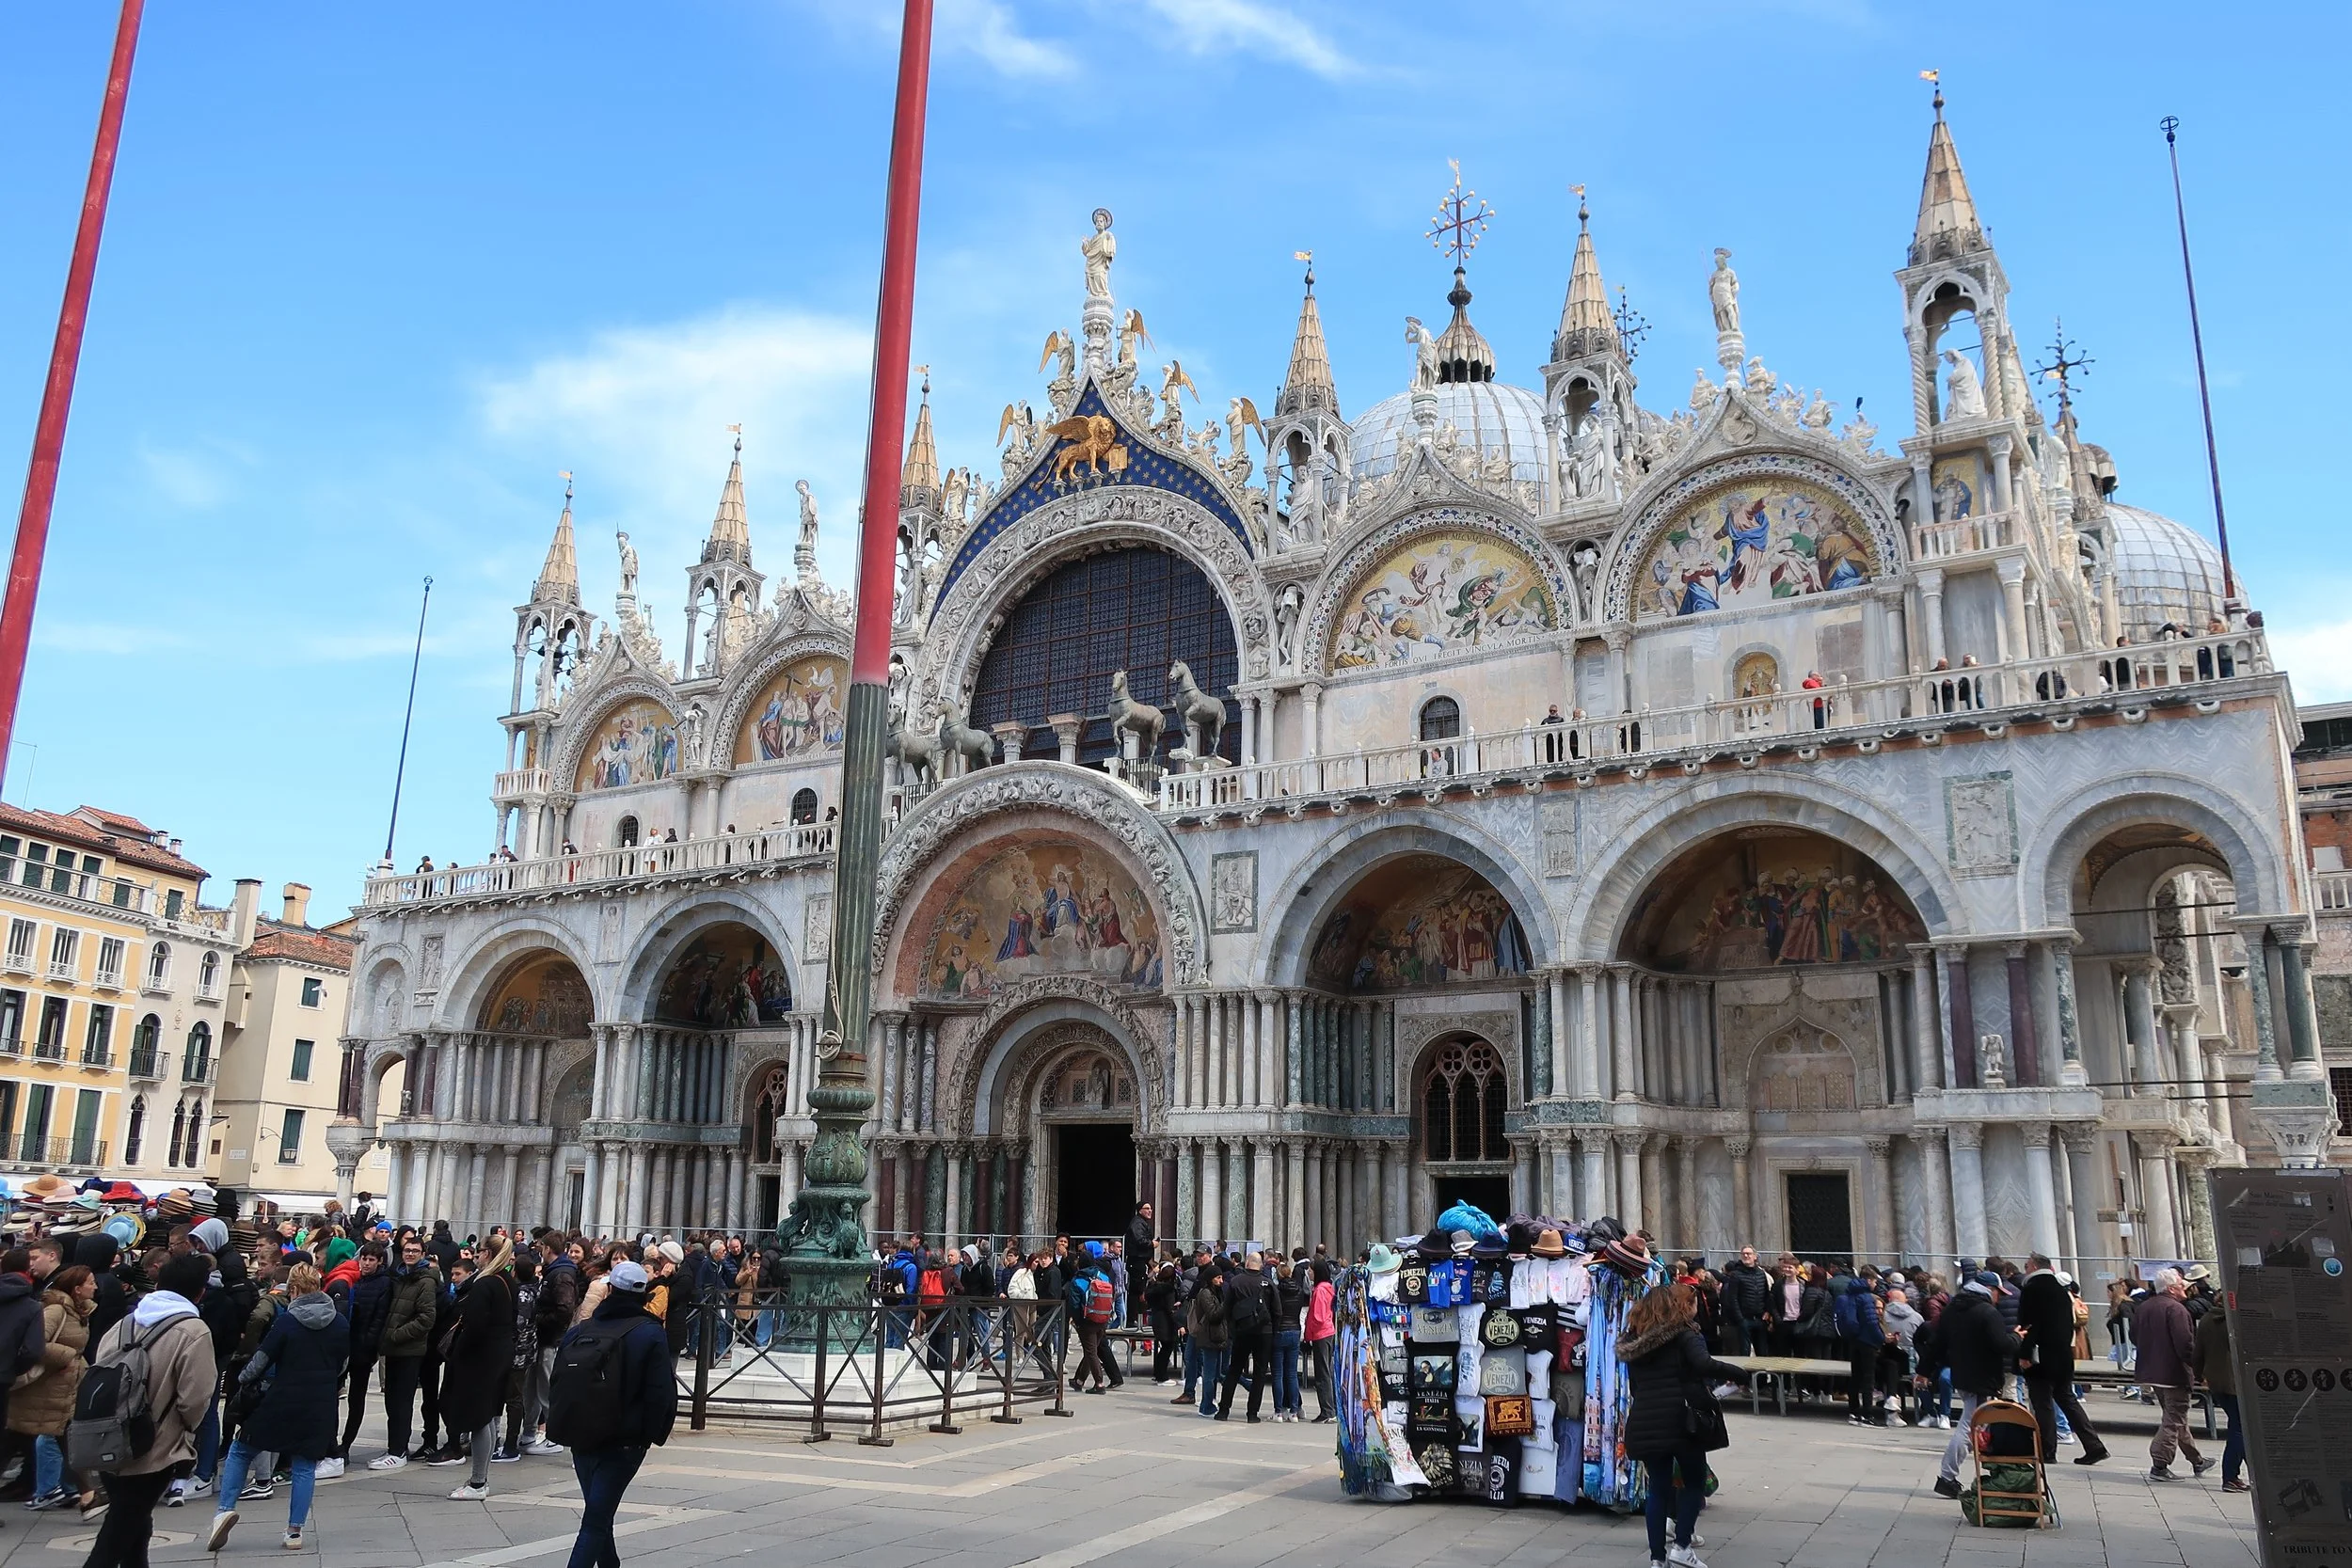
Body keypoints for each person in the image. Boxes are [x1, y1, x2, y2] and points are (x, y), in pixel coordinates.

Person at [81, 1252, 216, 1568]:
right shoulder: (194, 1331)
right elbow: (194, 1399)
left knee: (135, 1520)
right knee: (119, 1530)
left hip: (110, 1436)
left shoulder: (126, 1323)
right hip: (155, 1444)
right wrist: (185, 1430)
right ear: (200, 1292)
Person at [205, 1261, 346, 1553]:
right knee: (305, 1465)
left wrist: (242, 1378)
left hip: (283, 1397)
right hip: (321, 1402)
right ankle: (294, 1532)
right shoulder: (340, 1321)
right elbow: (343, 1363)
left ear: (294, 1289)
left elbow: (261, 1359)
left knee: (242, 1448)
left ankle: (224, 1509)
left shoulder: (288, 1321)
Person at [549, 1259, 676, 1568]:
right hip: (625, 1439)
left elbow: (558, 1377)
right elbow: (661, 1392)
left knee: (598, 1511)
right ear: (643, 1293)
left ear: (609, 1290)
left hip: (581, 1434)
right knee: (595, 1520)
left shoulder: (583, 1330)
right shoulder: (649, 1333)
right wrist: (651, 1435)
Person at [1620, 1281, 1747, 1568]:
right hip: (1682, 1419)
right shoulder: (1684, 1333)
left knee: (1658, 1489)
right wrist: (1737, 1372)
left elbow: (1635, 1388)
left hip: (1645, 1418)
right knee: (1693, 1482)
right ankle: (1681, 1546)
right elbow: (1703, 1364)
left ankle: (1656, 1559)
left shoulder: (1634, 1340)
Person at [1924, 1271, 2013, 1499]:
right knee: (1971, 1427)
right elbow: (2001, 1344)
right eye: (1998, 1293)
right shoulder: (1987, 1312)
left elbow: (1936, 1343)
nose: (1999, 1298)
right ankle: (1947, 1477)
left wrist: (1923, 1371)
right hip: (1982, 1378)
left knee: (1976, 1424)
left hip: (1962, 1375)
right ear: (1989, 1290)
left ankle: (1984, 1470)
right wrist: (2018, 1338)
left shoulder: (1953, 1309)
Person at [14, 1264, 95, 1512]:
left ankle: (83, 1494)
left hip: (66, 1387)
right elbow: (36, 1344)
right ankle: (59, 1491)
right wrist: (69, 1356)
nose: (96, 1286)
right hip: (47, 1389)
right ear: (77, 1289)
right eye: (91, 1282)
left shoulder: (79, 1312)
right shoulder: (56, 1311)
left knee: (63, 1437)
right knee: (49, 1436)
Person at [434, 1252, 514, 1500]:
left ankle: (478, 1482)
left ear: (487, 1255)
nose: (476, 1257)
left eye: (479, 1253)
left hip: (481, 1359)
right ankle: (480, 1478)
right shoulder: (506, 1281)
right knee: (488, 1416)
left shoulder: (485, 1284)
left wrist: (459, 1353)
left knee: (479, 1419)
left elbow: (475, 1326)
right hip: (499, 1354)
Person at [2016, 1256, 2107, 1465]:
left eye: (2027, 1266)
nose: (2026, 1270)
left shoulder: (2032, 1289)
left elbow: (2029, 1326)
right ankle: (2094, 1445)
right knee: (2067, 1399)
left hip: (2040, 1356)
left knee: (2042, 1403)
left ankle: (2047, 1450)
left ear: (2034, 1267)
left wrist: (2024, 1354)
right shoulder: (2062, 1290)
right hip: (2063, 1355)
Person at [2133, 1267, 2211, 1482]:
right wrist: (2198, 1369)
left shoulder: (2144, 1307)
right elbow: (2185, 1344)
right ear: (2171, 1288)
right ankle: (2160, 1463)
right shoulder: (2176, 1309)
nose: (2185, 1289)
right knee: (2174, 1420)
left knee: (2175, 1418)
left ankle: (2197, 1460)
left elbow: (2133, 1337)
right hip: (2173, 1373)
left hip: (2152, 1372)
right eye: (2181, 1285)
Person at [370, 1235, 440, 1469]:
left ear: (422, 1254)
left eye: (415, 1251)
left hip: (410, 1349)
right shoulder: (399, 1276)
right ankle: (395, 1447)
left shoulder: (425, 1281)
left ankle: (398, 1451)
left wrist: (397, 1334)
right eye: (408, 1250)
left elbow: (427, 1318)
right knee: (392, 1400)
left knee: (401, 1401)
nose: (410, 1254)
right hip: (393, 1349)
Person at [2191, 1294, 2247, 1493]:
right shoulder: (2237, 1320)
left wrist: (2197, 1376)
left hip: (2217, 1383)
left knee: (2239, 1426)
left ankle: (2249, 1474)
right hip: (2237, 1383)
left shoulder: (2207, 1319)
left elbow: (2198, 1352)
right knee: (2240, 1429)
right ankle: (2230, 1477)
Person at [1216, 1251, 1275, 1423]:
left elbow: (1226, 1308)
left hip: (1242, 1332)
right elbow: (1277, 1310)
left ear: (1248, 1262)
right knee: (1259, 1373)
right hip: (1263, 1333)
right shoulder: (1268, 1283)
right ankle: (1252, 1413)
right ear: (1261, 1265)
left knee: (1234, 1370)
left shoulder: (1236, 1281)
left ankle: (1223, 1410)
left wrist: (1232, 1329)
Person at [1829, 1274, 1883, 1425]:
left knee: (1855, 1377)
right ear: (1867, 1283)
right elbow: (1872, 1322)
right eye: (1874, 1281)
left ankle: (1854, 1412)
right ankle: (1867, 1414)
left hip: (1852, 1341)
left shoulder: (1845, 1298)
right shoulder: (1866, 1298)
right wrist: (1881, 1338)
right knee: (1868, 1379)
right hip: (1867, 1341)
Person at [1186, 1259, 1229, 1418]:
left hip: (1217, 1336)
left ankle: (1210, 1402)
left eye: (1221, 1278)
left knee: (1216, 1373)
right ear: (1211, 1278)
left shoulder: (1216, 1292)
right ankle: (1206, 1406)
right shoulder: (1205, 1293)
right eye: (1218, 1278)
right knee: (1209, 1374)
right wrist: (1226, 1305)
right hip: (1209, 1336)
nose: (1221, 1281)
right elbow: (1212, 1315)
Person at [1718, 1246, 1769, 1357]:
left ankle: (1762, 1375)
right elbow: (1733, 1298)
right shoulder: (1736, 1274)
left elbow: (1766, 1294)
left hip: (1760, 1318)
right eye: (1744, 1254)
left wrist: (1766, 1311)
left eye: (1749, 1254)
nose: (1746, 1256)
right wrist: (1740, 1318)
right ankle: (1746, 1375)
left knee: (1763, 1352)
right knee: (1744, 1352)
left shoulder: (1761, 1273)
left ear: (1755, 1256)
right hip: (1745, 1318)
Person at [1303, 1261, 1337, 1423]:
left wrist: (1309, 1333)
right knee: (1327, 1372)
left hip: (1321, 1334)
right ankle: (1331, 1409)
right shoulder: (1327, 1288)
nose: (1308, 1272)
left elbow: (1318, 1317)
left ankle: (1327, 1410)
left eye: (1310, 1270)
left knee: (1322, 1374)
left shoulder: (1320, 1291)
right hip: (1328, 1332)